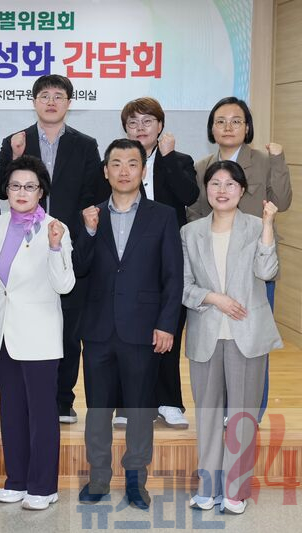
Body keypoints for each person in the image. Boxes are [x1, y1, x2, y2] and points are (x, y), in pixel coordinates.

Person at [73, 139, 182, 510]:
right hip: (98, 329)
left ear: (143, 170)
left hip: (143, 329)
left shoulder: (163, 215)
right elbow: (78, 269)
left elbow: (173, 276)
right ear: (105, 171)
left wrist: (167, 324)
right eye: (116, 163)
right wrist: (88, 232)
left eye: (132, 163)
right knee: (98, 410)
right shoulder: (91, 215)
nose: (124, 171)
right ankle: (99, 477)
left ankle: (136, 480)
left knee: (139, 409)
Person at [0, 74, 105, 425]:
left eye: (59, 96)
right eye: (45, 95)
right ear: (34, 101)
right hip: (23, 246)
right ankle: (29, 396)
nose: (51, 101)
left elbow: (93, 194)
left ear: (69, 102)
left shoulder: (85, 144)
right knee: (27, 322)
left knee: (68, 327)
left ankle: (62, 399)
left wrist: (78, 237)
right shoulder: (17, 140)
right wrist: (13, 156)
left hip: (64, 244)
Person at [182, 160, 282, 515]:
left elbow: (267, 271)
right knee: (208, 417)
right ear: (206, 189)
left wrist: (268, 225)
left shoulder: (256, 227)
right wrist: (215, 298)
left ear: (241, 190)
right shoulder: (190, 232)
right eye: (215, 183)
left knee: (242, 417)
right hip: (206, 333)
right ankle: (208, 488)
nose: (221, 190)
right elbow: (183, 287)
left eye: (230, 184)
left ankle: (235, 491)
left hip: (247, 335)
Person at [0, 156, 74, 511]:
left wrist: (54, 247)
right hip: (3, 333)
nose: (22, 192)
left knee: (42, 415)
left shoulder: (55, 227)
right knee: (12, 411)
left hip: (39, 336)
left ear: (41, 191)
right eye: (15, 185)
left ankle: (43, 486)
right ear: (6, 189)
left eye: (30, 186)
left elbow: (65, 285)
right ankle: (16, 480)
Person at [188, 97, 291, 421]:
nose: (228, 127)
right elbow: (196, 212)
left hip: (255, 270)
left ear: (247, 127)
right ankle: (220, 412)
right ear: (212, 128)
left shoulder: (263, 160)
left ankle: (250, 414)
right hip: (214, 270)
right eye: (220, 121)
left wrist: (279, 160)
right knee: (215, 343)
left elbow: (283, 200)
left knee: (252, 344)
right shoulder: (202, 166)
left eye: (236, 121)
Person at [111, 97, 199, 430]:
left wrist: (168, 158)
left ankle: (169, 402)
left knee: (168, 328)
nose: (141, 128)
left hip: (168, 257)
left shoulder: (178, 160)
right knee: (127, 334)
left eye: (148, 121)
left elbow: (189, 196)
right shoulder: (117, 161)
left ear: (160, 126)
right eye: (133, 123)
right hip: (127, 259)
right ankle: (128, 403)